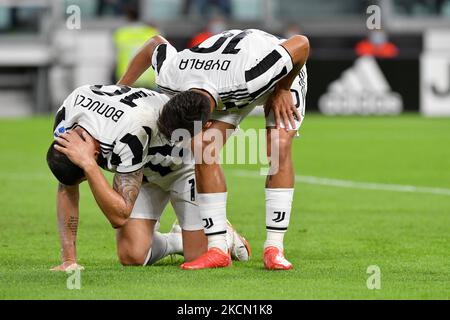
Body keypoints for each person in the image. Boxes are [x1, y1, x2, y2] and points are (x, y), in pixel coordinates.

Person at [118, 29, 309, 270]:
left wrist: (283, 88)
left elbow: (301, 44)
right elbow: (154, 43)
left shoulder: (252, 78)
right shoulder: (171, 76)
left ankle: (274, 247)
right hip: (219, 83)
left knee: (278, 146)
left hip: (275, 74)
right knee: (203, 146)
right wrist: (118, 90)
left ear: (206, 119)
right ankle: (218, 248)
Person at [47, 84, 250, 271]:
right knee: (132, 255)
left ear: (92, 155)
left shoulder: (130, 134)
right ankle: (178, 239)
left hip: (182, 164)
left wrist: (91, 167)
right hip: (144, 169)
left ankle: (223, 233)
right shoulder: (67, 120)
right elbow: (67, 187)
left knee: (198, 256)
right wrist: (69, 260)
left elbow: (119, 215)